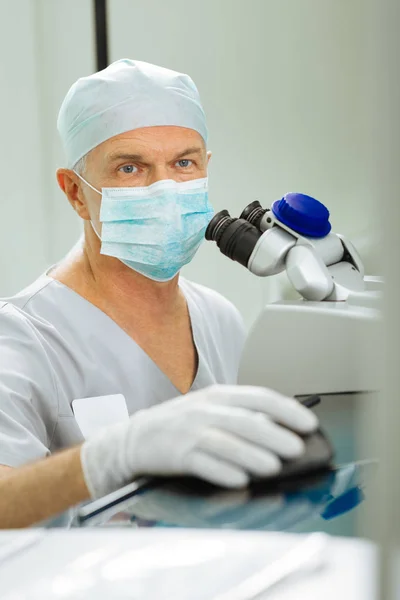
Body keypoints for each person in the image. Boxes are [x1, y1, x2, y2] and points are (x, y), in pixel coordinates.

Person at [0, 59, 319, 525]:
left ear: (206, 168)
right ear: (74, 192)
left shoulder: (219, 319)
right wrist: (111, 456)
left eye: (184, 163)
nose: (165, 188)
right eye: (131, 168)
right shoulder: (21, 340)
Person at [0, 309, 318, 528]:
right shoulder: (18, 333)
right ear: (79, 205)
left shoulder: (217, 315)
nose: (172, 209)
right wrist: (110, 458)